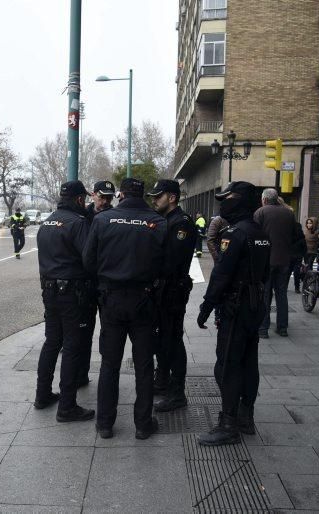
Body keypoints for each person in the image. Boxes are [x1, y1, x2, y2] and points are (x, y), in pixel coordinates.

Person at [83, 177, 167, 440]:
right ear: (142, 195)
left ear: (120, 195)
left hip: (111, 299)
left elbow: (88, 261)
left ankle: (105, 423)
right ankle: (143, 424)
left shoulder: (103, 220)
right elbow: (167, 265)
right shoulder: (158, 222)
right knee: (143, 364)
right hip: (144, 299)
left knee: (110, 363)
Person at [197, 181, 270, 446]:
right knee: (250, 362)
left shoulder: (234, 234)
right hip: (254, 305)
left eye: (227, 198)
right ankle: (245, 416)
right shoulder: (261, 232)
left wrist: (206, 307)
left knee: (227, 364)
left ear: (239, 201)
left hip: (236, 306)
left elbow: (221, 274)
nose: (223, 203)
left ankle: (228, 424)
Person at [34, 180, 96, 422]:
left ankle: (42, 395)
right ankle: (67, 406)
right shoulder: (78, 223)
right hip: (72, 293)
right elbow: (90, 259)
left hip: (49, 291)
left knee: (52, 342)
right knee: (72, 345)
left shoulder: (47, 221)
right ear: (80, 200)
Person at [147, 179, 197, 412]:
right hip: (162, 289)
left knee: (173, 341)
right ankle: (163, 381)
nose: (154, 200)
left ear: (172, 198)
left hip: (173, 290)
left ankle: (177, 393)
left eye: (158, 196)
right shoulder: (166, 220)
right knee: (161, 339)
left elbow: (171, 261)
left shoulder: (181, 223)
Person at [77, 180, 116, 387]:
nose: (105, 201)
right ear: (93, 195)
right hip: (86, 282)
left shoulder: (114, 217)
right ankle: (81, 373)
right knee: (83, 331)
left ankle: (107, 375)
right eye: (102, 196)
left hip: (105, 282)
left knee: (108, 331)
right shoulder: (83, 215)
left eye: (109, 197)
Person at [254, 188, 296, 338]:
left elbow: (255, 235)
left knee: (265, 294)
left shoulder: (260, 212)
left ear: (264, 200)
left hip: (266, 260)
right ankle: (282, 327)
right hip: (284, 259)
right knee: (281, 294)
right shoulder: (289, 213)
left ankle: (263, 328)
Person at [206, 214, 230, 328]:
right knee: (219, 288)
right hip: (220, 260)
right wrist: (218, 258)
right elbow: (210, 240)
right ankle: (218, 315)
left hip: (232, 260)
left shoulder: (236, 219)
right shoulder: (218, 220)